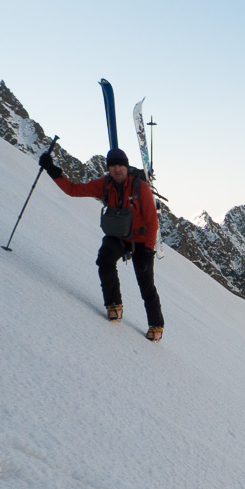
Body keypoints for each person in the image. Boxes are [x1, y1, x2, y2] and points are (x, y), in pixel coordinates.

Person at [39, 147, 165, 342]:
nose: (116, 170)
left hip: (141, 241)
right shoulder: (106, 184)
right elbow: (74, 190)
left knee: (145, 282)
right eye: (112, 166)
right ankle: (114, 304)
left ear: (126, 166)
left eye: (120, 166)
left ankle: (156, 324)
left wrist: (148, 250)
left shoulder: (141, 188)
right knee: (104, 259)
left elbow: (152, 222)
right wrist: (52, 170)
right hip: (119, 236)